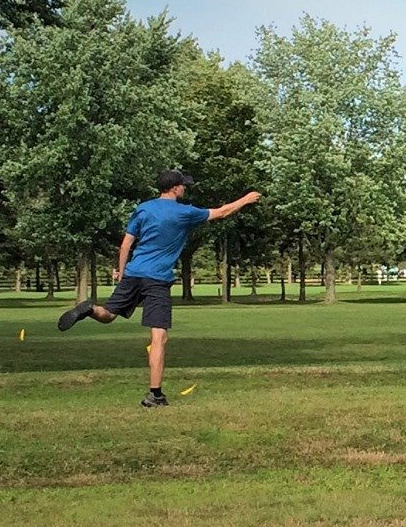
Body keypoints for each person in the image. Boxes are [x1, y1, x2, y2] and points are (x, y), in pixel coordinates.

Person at [58, 169, 261, 406]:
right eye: (183, 185)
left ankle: (89, 309)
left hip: (133, 273)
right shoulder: (185, 212)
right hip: (157, 280)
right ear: (175, 188)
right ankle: (155, 395)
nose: (185, 188)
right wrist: (246, 199)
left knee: (108, 314)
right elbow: (223, 212)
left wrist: (121, 271)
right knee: (159, 337)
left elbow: (126, 244)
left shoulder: (143, 208)